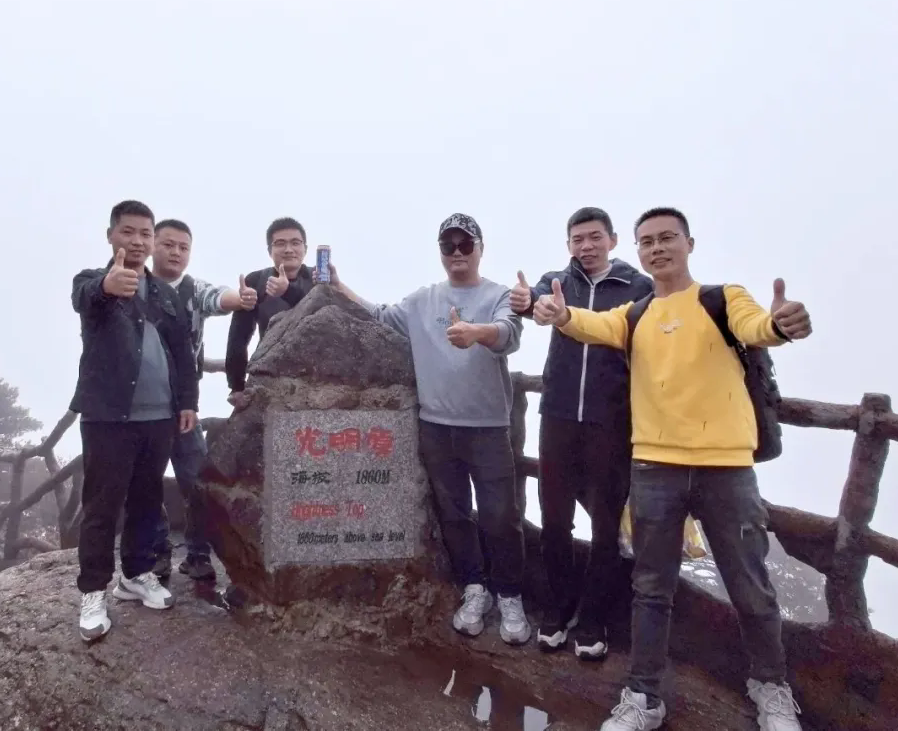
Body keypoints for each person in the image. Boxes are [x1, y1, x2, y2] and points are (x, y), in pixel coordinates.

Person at [531, 207, 810, 731]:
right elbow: (591, 324)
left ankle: (771, 688)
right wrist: (562, 316)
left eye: (667, 238)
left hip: (725, 468)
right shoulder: (636, 314)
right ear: (637, 250)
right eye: (648, 241)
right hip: (655, 467)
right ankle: (643, 696)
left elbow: (758, 327)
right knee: (651, 591)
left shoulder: (722, 299)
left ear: (689, 243)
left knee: (750, 587)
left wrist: (780, 324)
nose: (657, 248)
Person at [327, 213, 530, 646]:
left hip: (488, 428)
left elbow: (509, 334)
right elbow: (380, 316)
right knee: (453, 514)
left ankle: (510, 594)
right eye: (448, 245)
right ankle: (474, 587)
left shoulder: (500, 295)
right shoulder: (423, 300)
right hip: (436, 426)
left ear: (480, 248)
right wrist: (339, 288)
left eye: (465, 244)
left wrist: (477, 332)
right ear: (440, 252)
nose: (457, 252)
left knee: (500, 515)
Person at [509, 207, 652, 661]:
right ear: (568, 244)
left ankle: (594, 618)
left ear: (613, 240)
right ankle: (558, 606)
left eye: (594, 237)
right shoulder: (559, 281)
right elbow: (533, 302)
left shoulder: (639, 287)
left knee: (605, 527)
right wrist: (526, 301)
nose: (586, 246)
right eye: (577, 239)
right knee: (555, 521)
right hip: (558, 417)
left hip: (612, 422)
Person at [70, 200, 199, 643]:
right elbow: (86, 297)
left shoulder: (164, 293)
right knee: (102, 506)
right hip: (109, 417)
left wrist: (187, 402)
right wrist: (108, 286)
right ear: (111, 235)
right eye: (128, 232)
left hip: (159, 416)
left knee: (147, 499)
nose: (138, 241)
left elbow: (182, 353)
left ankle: (136, 574)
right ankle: (92, 591)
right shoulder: (91, 281)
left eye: (145, 234)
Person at [139, 218, 257, 582]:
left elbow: (217, 297)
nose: (176, 252)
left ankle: (198, 554)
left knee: (197, 481)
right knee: (145, 483)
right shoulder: (135, 286)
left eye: (183, 247)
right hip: (140, 405)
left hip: (184, 405)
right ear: (152, 245)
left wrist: (240, 299)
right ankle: (156, 553)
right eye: (168, 244)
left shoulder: (192, 289)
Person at [224, 217, 315, 406]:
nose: (288, 249)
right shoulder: (256, 281)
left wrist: (287, 291)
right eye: (280, 243)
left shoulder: (317, 278)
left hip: (315, 376)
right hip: (270, 374)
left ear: (305, 248)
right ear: (269, 250)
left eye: (295, 243)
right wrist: (237, 385)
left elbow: (320, 314)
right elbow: (238, 337)